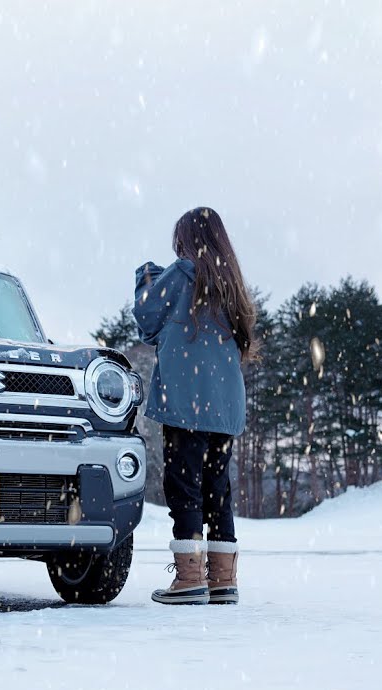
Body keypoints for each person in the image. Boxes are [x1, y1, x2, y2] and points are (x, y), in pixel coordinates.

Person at [133, 207, 256, 605]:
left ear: (186, 240)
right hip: (225, 404)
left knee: (183, 486)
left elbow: (146, 321)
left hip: (188, 399)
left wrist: (145, 277)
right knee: (217, 489)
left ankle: (189, 580)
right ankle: (222, 580)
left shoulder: (180, 273)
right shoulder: (231, 284)